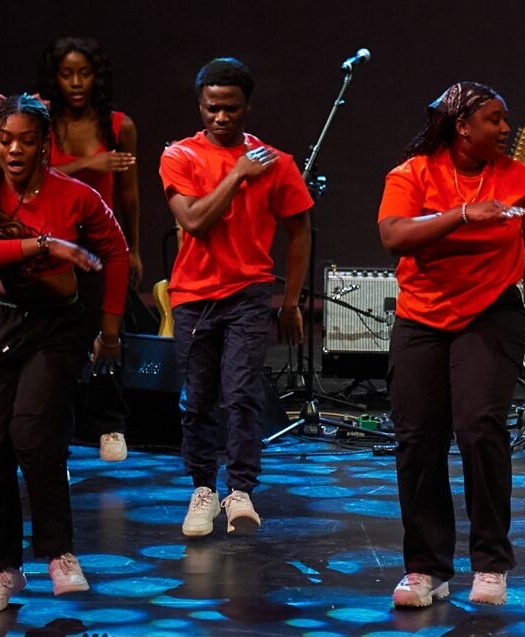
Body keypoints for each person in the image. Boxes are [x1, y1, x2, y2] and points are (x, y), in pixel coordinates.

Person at [377, 82, 525, 607]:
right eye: (494, 120)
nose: (505, 129)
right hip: (421, 318)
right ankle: (425, 568)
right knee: (418, 440)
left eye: (505, 120)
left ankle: (490, 563)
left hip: (489, 314)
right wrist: (461, 214)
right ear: (461, 126)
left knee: (480, 429)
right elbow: (393, 235)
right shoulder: (411, 174)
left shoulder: (522, 178)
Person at [0, 94, 129, 612]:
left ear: (44, 144)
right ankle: (1, 569)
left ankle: (59, 553)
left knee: (32, 433)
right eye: (6, 140)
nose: (15, 150)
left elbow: (114, 251)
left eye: (26, 140)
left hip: (57, 327)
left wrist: (111, 329)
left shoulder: (75, 196)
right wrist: (43, 245)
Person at [159, 58, 312, 537]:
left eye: (230, 108)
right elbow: (194, 221)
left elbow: (300, 229)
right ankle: (203, 489)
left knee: (242, 393)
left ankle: (240, 489)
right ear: (200, 106)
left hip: (249, 292)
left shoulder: (278, 163)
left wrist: (289, 302)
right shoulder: (179, 156)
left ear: (247, 108)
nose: (220, 118)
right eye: (211, 108)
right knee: (197, 400)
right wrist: (237, 174)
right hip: (193, 295)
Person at [35, 36, 141, 462]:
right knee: (53, 334)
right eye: (67, 74)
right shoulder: (40, 119)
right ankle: (57, 426)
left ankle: (109, 425)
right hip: (52, 240)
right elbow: (31, 172)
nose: (76, 82)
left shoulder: (118, 125)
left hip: (101, 239)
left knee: (107, 333)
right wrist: (87, 165)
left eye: (85, 73)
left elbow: (129, 194)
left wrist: (133, 249)